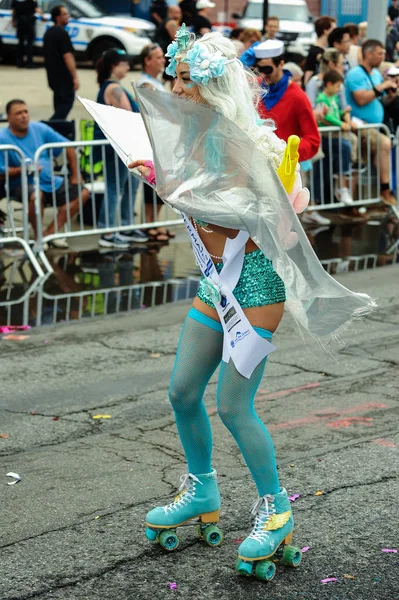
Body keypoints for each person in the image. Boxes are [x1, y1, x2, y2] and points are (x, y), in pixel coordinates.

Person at [127, 27, 375, 578]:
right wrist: (159, 175)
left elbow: (243, 215)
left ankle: (276, 510)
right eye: (176, 77)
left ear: (214, 86)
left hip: (255, 286)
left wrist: (169, 188)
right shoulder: (190, 137)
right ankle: (201, 490)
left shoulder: (235, 139)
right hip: (217, 283)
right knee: (182, 391)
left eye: (188, 80)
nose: (178, 87)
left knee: (234, 405)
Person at [0, 99, 89, 249]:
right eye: (18, 113)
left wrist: (76, 174)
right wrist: (24, 169)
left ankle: (49, 234)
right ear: (8, 117)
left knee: (83, 192)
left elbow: (68, 147)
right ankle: (39, 237)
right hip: (21, 184)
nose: (24, 116)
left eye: (25, 112)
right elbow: (1, 173)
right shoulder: (3, 138)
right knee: (36, 196)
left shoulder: (39, 128)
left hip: (50, 181)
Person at [94, 48, 149, 248]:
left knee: (129, 187)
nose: (127, 66)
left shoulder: (115, 86)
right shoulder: (112, 88)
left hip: (127, 147)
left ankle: (126, 225)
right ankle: (106, 230)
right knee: (114, 187)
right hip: (117, 148)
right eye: (124, 63)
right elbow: (129, 116)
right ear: (113, 66)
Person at [345, 39, 397, 206]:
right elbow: (360, 99)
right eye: (380, 53)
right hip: (359, 124)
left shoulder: (375, 74)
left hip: (374, 126)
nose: (383, 57)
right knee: (384, 144)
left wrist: (391, 94)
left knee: (371, 158)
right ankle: (385, 190)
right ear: (369, 54)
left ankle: (376, 196)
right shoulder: (355, 74)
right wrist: (382, 87)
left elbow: (379, 101)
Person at [252, 40, 320, 162]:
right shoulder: (252, 88)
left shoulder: (297, 96)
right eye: (259, 69)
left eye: (267, 69)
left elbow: (313, 140)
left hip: (284, 171)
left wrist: (284, 153)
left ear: (281, 64)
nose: (262, 75)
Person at [137, 44, 175, 242]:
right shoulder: (145, 84)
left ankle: (154, 222)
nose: (162, 60)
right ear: (147, 61)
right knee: (152, 184)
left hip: (161, 140)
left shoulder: (155, 82)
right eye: (158, 57)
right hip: (152, 141)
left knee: (159, 185)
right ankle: (149, 223)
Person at [316, 70, 354, 205]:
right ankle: (342, 188)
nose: (339, 90)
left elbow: (335, 112)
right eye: (337, 86)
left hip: (335, 135)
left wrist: (343, 113)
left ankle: (342, 186)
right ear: (329, 84)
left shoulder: (334, 97)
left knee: (345, 150)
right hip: (327, 136)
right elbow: (325, 116)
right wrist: (341, 123)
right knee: (345, 147)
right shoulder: (322, 98)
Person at [43, 5, 79, 121]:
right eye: (64, 14)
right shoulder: (62, 33)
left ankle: (57, 131)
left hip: (53, 79)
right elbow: (67, 56)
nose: (68, 16)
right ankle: (48, 126)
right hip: (64, 79)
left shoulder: (48, 33)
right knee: (63, 109)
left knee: (59, 107)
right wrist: (74, 77)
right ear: (57, 17)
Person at [303, 16, 336, 85]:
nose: (335, 33)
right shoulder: (314, 51)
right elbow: (308, 74)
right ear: (325, 31)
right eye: (333, 29)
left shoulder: (326, 49)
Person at [11, 0, 42, 68]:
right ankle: (30, 63)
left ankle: (20, 63)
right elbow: (37, 9)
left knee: (21, 43)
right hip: (29, 22)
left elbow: (13, 11)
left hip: (20, 22)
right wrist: (43, 15)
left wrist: (13, 20)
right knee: (29, 43)